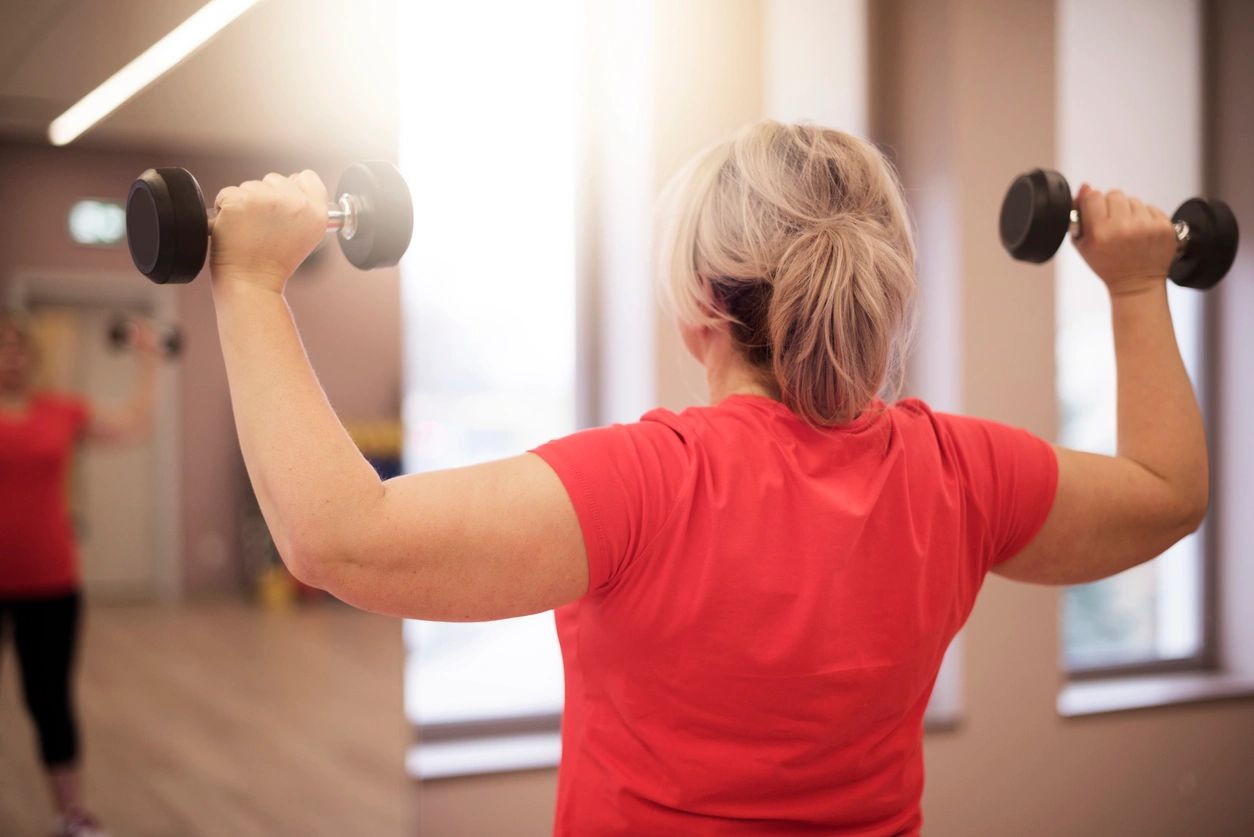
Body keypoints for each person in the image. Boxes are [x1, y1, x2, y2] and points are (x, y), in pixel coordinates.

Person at [206, 122, 1206, 835]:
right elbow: (1167, 490)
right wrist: (1133, 285)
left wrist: (250, 284)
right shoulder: (959, 473)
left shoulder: (652, 485)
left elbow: (337, 537)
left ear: (697, 303)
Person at [0, 312, 159, 837]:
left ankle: (72, 816)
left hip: (52, 581)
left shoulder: (60, 411)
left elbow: (135, 424)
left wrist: (148, 361)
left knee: (49, 700)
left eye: (20, 345)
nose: (12, 355)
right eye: (3, 347)